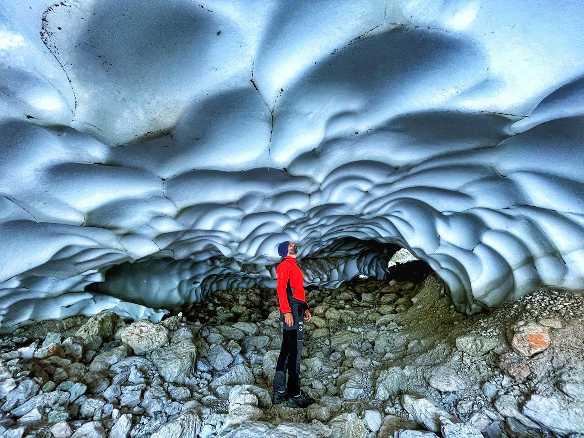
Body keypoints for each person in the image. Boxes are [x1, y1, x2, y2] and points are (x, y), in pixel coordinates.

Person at [272, 240, 316, 408]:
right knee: (294, 350)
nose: (294, 245)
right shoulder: (285, 265)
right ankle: (293, 393)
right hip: (291, 310)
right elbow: (281, 289)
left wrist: (305, 308)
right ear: (285, 250)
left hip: (296, 308)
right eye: (290, 245)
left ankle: (280, 391)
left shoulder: (293, 265)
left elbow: (297, 290)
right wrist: (287, 311)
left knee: (287, 348)